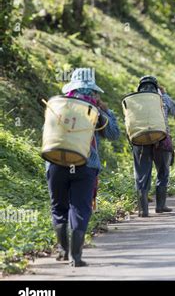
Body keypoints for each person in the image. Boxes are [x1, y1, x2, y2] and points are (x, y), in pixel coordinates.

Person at [47, 68, 120, 267]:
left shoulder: (59, 104)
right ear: (93, 89)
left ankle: (63, 250)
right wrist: (105, 112)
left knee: (59, 207)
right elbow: (113, 135)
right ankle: (76, 256)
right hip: (84, 164)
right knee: (80, 207)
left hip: (56, 162)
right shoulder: (96, 108)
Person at [131, 76, 175, 217]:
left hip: (140, 140)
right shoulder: (162, 98)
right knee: (163, 172)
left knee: (141, 175)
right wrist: (164, 94)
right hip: (161, 139)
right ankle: (160, 206)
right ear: (156, 87)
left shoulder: (134, 100)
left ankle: (143, 210)